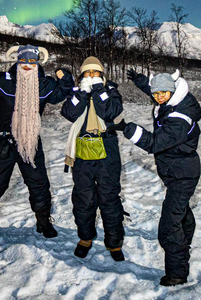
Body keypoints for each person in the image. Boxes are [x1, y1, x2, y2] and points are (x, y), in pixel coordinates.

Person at [0, 44, 74, 246]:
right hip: (3, 142)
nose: (27, 65)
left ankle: (43, 222)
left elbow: (63, 92)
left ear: (37, 63)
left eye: (31, 61)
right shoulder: (4, 82)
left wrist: (66, 78)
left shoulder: (44, 85)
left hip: (31, 141)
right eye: (23, 60)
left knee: (39, 183)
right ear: (18, 61)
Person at [119, 69, 201, 287]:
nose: (158, 97)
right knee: (180, 212)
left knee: (168, 227)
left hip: (182, 174)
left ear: (172, 92)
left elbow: (155, 143)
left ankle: (177, 274)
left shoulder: (179, 119)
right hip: (176, 170)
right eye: (156, 94)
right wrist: (141, 81)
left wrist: (129, 129)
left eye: (163, 93)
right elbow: (157, 90)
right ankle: (185, 240)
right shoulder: (174, 98)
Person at [61, 56, 126, 261]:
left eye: (95, 72)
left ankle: (114, 243)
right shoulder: (77, 93)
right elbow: (69, 113)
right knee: (84, 197)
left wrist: (98, 89)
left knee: (109, 197)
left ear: (101, 74)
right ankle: (85, 238)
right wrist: (82, 93)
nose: (90, 75)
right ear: (82, 75)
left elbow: (110, 111)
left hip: (106, 149)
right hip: (82, 150)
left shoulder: (111, 91)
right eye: (87, 72)